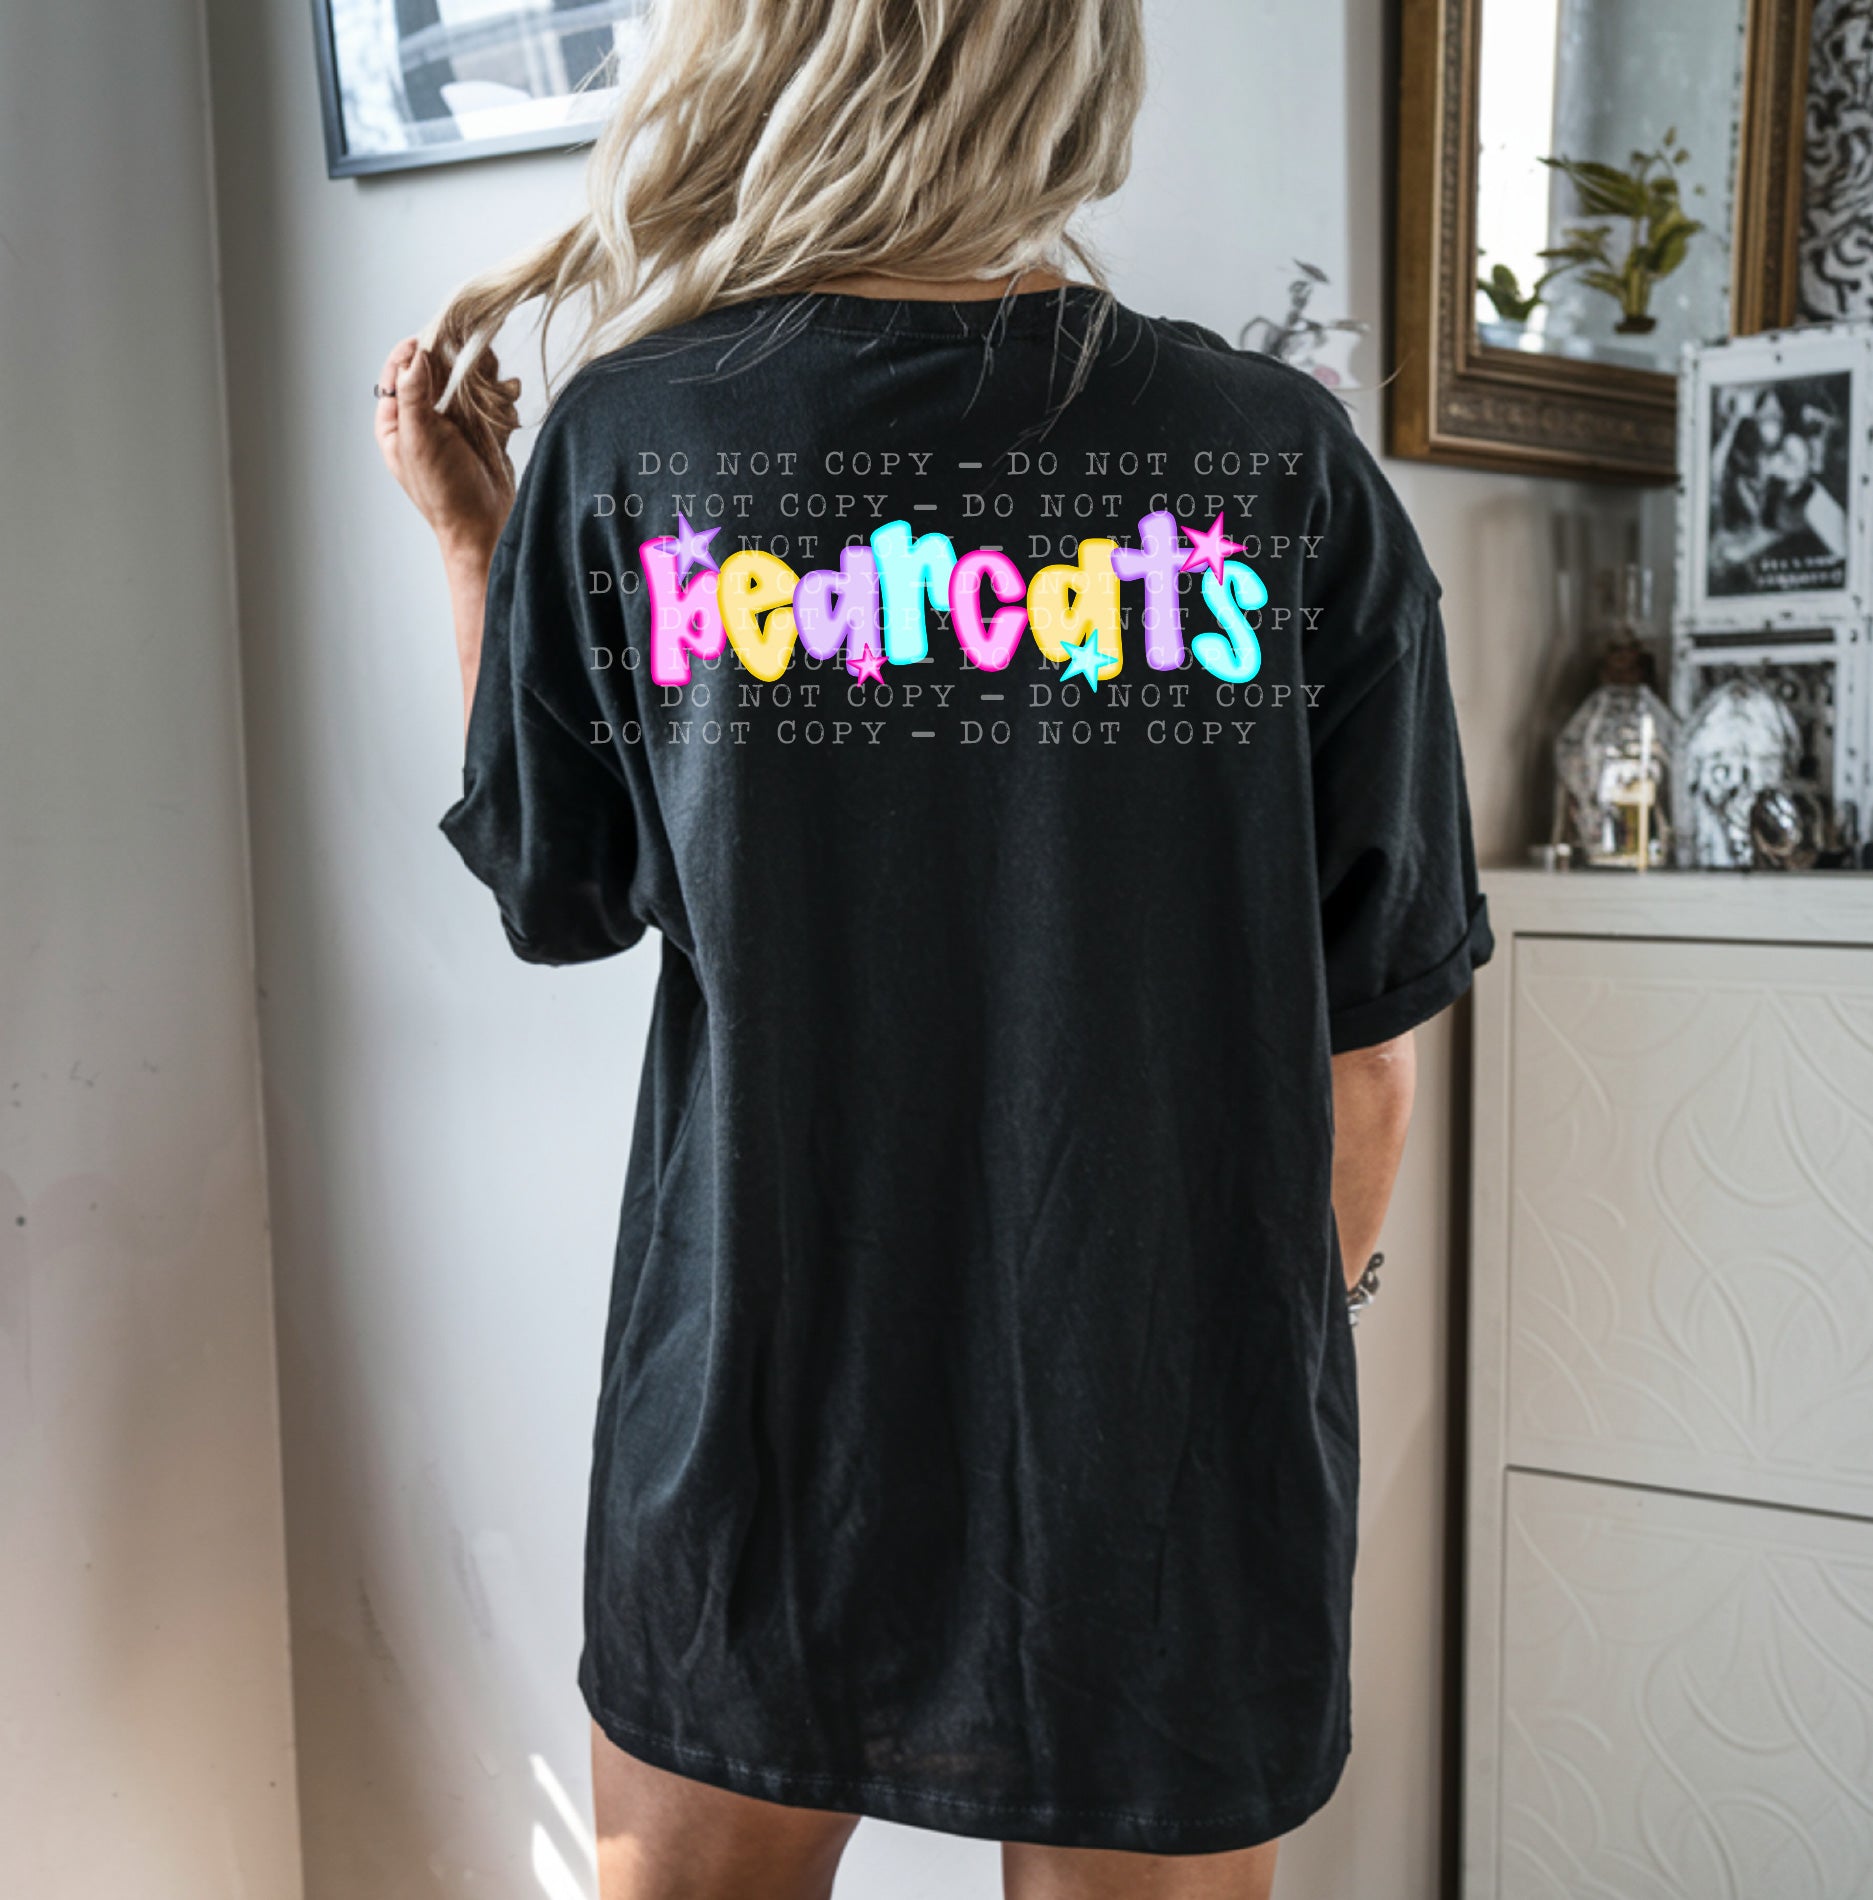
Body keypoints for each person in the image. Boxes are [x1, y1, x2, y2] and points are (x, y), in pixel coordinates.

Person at [375, 3, 1492, 1895]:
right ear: (1071, 79)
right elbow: (1366, 1052)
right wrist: (1258, 1349)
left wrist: (479, 547)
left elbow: (557, 896)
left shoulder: (636, 439)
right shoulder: (1277, 461)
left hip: (754, 1434)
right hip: (1159, 1468)